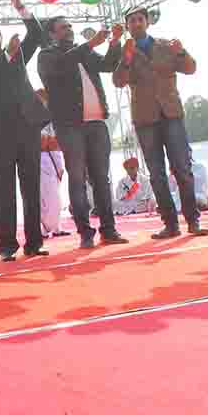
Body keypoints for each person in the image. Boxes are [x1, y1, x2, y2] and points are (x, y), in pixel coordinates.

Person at [113, 7, 208, 239]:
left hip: (171, 114)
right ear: (127, 27)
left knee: (182, 169)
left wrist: (181, 52)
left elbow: (190, 68)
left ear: (147, 22)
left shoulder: (166, 46)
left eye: (140, 19)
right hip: (146, 119)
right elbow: (118, 81)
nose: (136, 24)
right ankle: (170, 225)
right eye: (132, 21)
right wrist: (126, 60)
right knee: (156, 174)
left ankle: (193, 221)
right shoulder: (125, 52)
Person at [0, 0, 50, 261]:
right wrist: (7, 55)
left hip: (28, 129)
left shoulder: (17, 55)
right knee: (4, 191)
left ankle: (34, 243)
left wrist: (20, 8)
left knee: (31, 187)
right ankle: (7, 246)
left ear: (0, 36)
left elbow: (36, 34)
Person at [38, 17, 129, 249]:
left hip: (97, 122)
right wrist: (90, 44)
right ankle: (85, 233)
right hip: (70, 125)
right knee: (77, 179)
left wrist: (115, 42)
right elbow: (63, 65)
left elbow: (108, 65)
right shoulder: (47, 56)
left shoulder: (84, 51)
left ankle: (109, 230)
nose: (69, 29)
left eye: (70, 26)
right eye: (63, 27)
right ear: (52, 34)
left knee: (101, 179)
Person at [35, 89, 70, 238]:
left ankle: (55, 227)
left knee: (55, 195)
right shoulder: (34, 119)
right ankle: (44, 228)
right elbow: (42, 143)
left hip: (55, 159)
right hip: (42, 159)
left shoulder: (54, 118)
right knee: (46, 197)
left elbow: (57, 142)